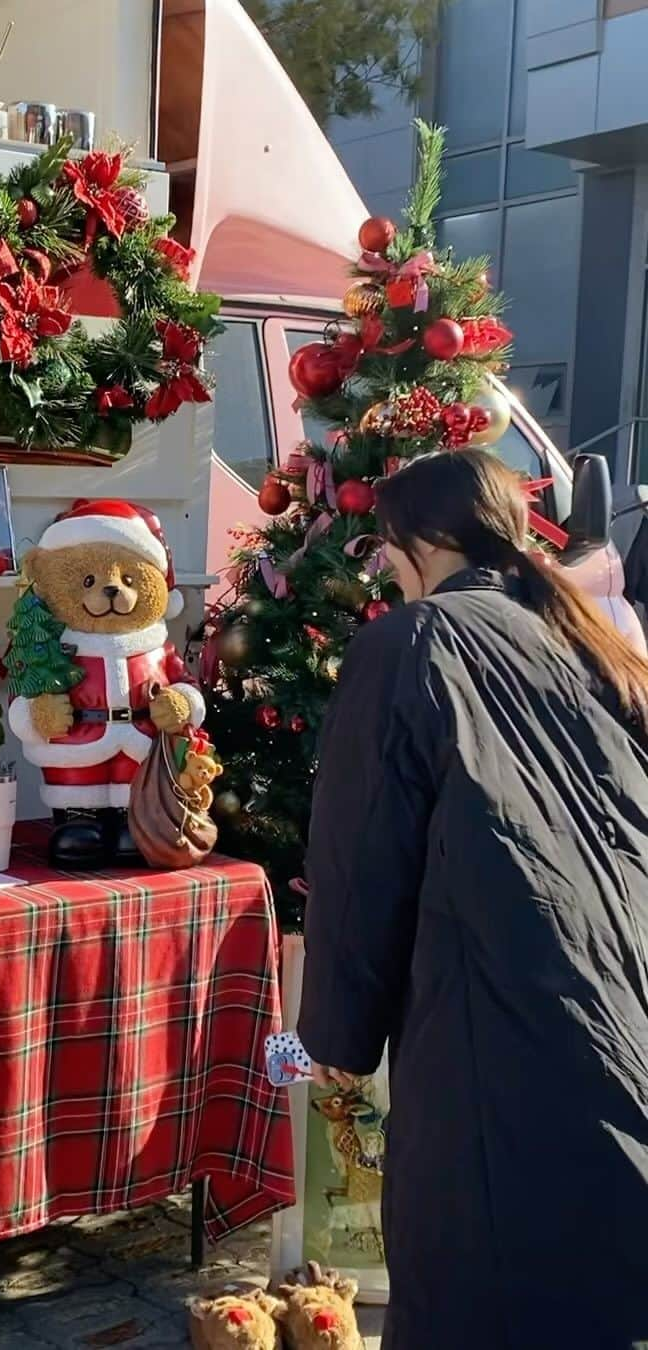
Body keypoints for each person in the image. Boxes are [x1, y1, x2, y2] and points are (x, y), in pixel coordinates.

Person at [297, 449, 648, 1350]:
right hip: (620, 1000)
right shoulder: (589, 636)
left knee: (481, 1273)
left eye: (384, 550)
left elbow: (359, 857)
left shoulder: (409, 644)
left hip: (494, 1018)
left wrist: (336, 1040)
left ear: (423, 542)